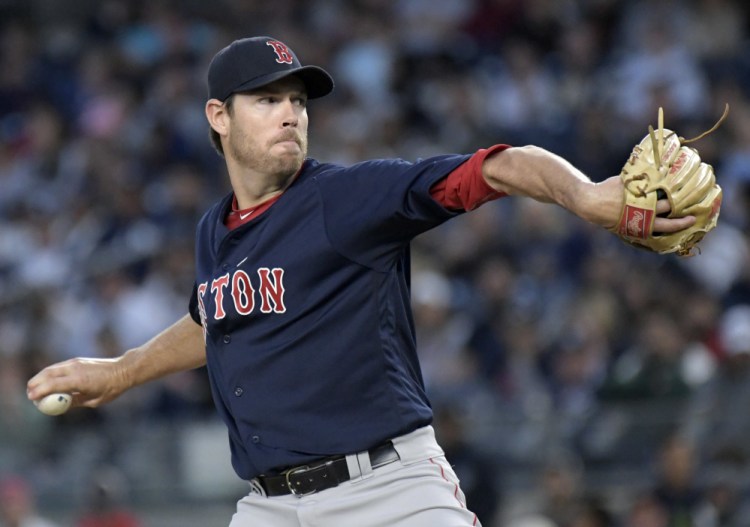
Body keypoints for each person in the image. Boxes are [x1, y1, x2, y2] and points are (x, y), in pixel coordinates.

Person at [26, 36, 696, 527]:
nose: (291, 112)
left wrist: (584, 197)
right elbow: (214, 320)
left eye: (297, 99)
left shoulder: (345, 198)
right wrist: (117, 372)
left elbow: (498, 165)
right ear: (218, 117)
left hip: (388, 491)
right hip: (269, 506)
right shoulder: (213, 230)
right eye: (267, 100)